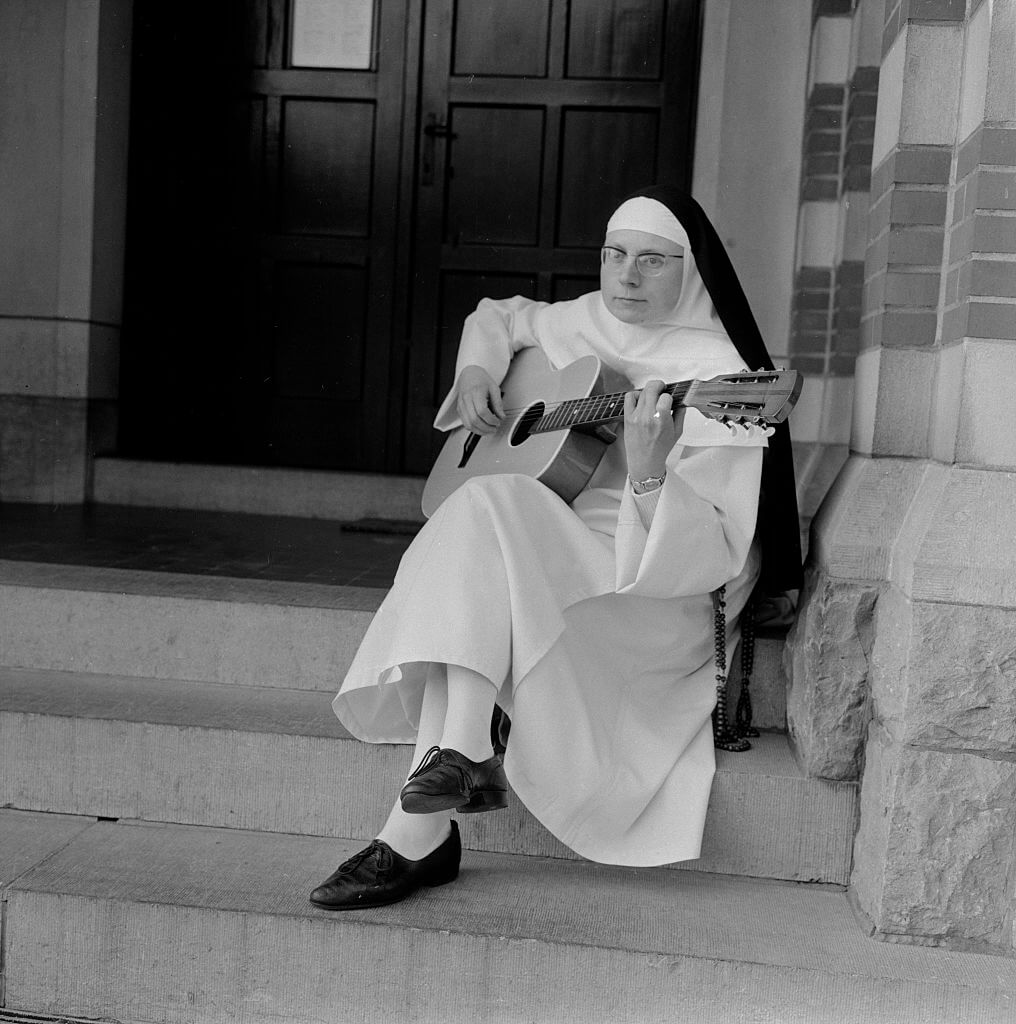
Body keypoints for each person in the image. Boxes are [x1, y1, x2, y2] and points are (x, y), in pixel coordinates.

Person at [309, 185, 802, 910]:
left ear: (690, 270)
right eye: (614, 255)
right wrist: (477, 371)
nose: (627, 277)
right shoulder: (580, 320)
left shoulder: (721, 375)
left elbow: (717, 554)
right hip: (541, 545)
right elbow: (498, 317)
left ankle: (426, 817)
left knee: (481, 523)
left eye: (652, 262)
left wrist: (649, 470)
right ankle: (451, 774)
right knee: (485, 508)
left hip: (638, 584)